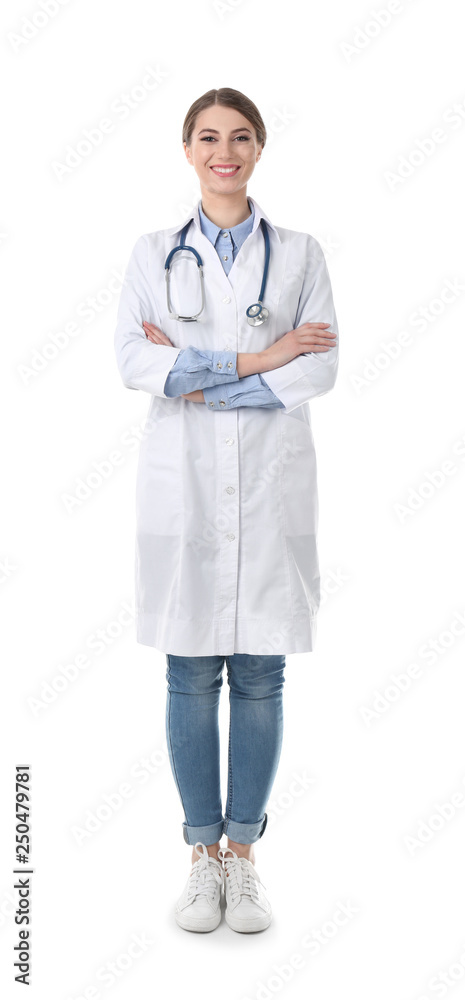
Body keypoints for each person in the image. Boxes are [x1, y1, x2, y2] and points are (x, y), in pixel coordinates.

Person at [113, 87, 339, 934]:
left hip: (272, 483)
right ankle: (198, 857)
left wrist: (204, 377)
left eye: (241, 137)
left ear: (259, 148)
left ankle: (243, 860)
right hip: (184, 485)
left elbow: (316, 368)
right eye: (209, 137)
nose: (225, 151)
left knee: (259, 672)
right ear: (187, 149)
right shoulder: (150, 252)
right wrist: (258, 357)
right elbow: (136, 360)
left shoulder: (302, 253)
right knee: (188, 670)